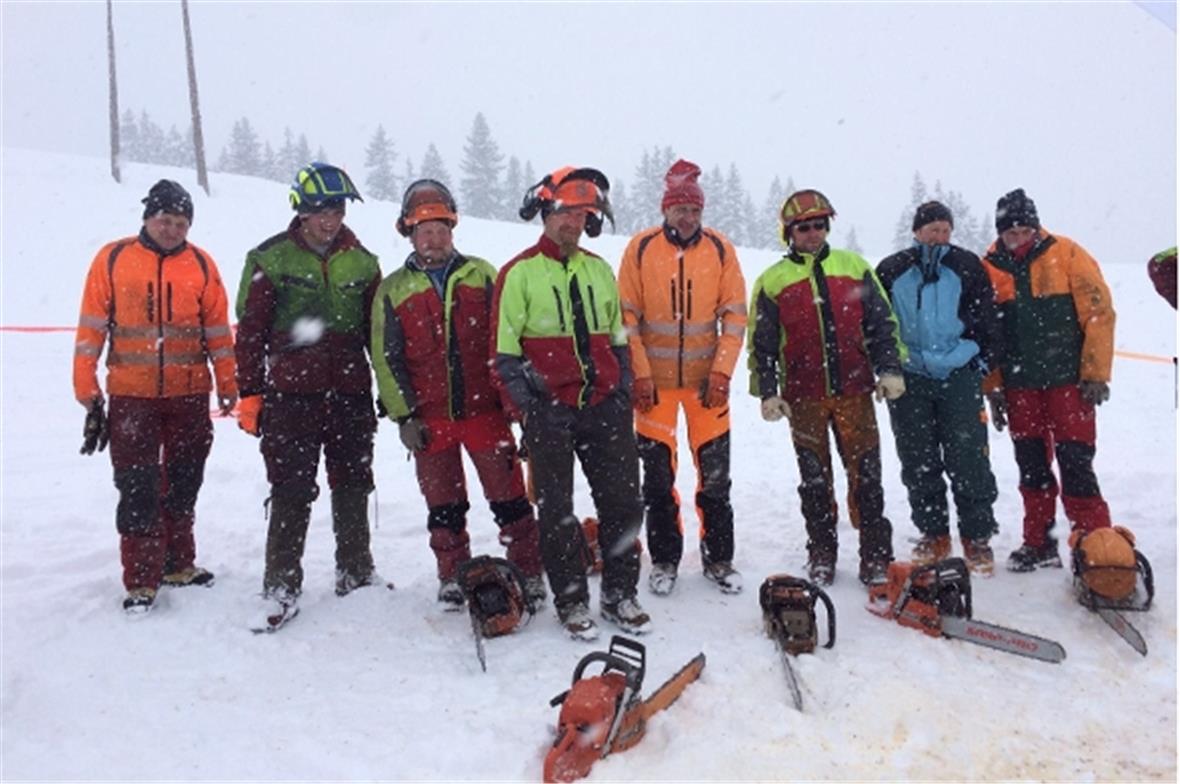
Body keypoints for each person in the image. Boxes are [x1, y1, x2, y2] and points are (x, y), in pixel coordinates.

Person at [370, 180, 546, 611]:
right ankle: (451, 573)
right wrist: (403, 416)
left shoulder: (483, 274)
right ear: (410, 234)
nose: (434, 239)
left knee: (510, 500)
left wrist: (518, 405)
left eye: (441, 229)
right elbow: (385, 356)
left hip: (486, 412)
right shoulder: (393, 290)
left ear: (453, 230)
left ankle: (528, 568)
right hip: (429, 420)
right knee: (444, 506)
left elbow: (509, 341)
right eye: (424, 231)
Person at [492, 166, 650, 640]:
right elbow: (504, 353)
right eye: (564, 213)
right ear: (545, 212)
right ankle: (571, 599)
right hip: (549, 411)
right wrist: (527, 409)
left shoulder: (599, 269)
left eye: (581, 215)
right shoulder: (519, 273)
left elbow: (618, 336)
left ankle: (621, 594)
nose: (572, 224)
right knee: (557, 510)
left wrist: (620, 387)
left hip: (605, 406)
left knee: (622, 502)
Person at [73, 179, 237, 613]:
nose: (172, 230)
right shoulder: (113, 259)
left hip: (189, 396)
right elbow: (90, 331)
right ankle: (141, 581)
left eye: (181, 223)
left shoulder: (201, 265)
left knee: (185, 480)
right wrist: (87, 391)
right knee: (138, 485)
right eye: (165, 220)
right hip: (131, 397)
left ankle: (178, 564)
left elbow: (218, 333)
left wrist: (228, 382)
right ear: (148, 218)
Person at [234, 162, 383, 630]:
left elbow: (378, 335)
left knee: (354, 482)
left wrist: (388, 389)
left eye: (337, 209)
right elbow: (250, 334)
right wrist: (250, 394)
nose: (330, 218)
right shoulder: (269, 258)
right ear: (300, 209)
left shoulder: (364, 262)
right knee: (291, 488)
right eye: (320, 209)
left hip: (351, 394)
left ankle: (355, 571)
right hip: (291, 398)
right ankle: (280, 583)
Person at [748, 189, 905, 586]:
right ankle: (821, 551)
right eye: (803, 227)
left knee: (867, 475)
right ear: (789, 232)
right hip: (803, 398)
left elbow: (882, 324)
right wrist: (769, 390)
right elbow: (762, 344)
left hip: (854, 392)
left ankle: (875, 553)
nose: (813, 233)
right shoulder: (773, 281)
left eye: (819, 225)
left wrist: (889, 369)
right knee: (815, 480)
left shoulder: (853, 267)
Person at [617, 159, 747, 597]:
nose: (687, 217)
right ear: (665, 209)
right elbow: (625, 318)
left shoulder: (721, 249)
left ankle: (719, 558)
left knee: (715, 479)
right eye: (679, 209)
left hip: (706, 389)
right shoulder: (640, 248)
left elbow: (733, 316)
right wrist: (639, 374)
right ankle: (666, 559)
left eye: (694, 210)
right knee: (656, 481)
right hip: (653, 391)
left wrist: (722, 372)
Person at [980, 188, 1116, 572]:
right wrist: (993, 387)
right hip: (1020, 388)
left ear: (1036, 226)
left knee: (1076, 463)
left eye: (1025, 230)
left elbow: (1099, 314)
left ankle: (1094, 541)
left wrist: (1094, 374)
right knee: (1032, 467)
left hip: (1069, 384)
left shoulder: (1068, 254)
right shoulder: (988, 267)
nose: (1019, 238)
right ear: (1001, 232)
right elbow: (986, 332)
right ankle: (1039, 542)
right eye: (1011, 232)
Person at [876, 201, 1004, 574]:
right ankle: (934, 533)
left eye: (945, 229)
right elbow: (878, 322)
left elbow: (988, 317)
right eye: (932, 229)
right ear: (917, 231)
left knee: (969, 457)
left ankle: (977, 537)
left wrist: (979, 360)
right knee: (918, 458)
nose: (939, 235)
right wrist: (886, 366)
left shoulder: (966, 267)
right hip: (909, 377)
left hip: (958, 374)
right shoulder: (893, 269)